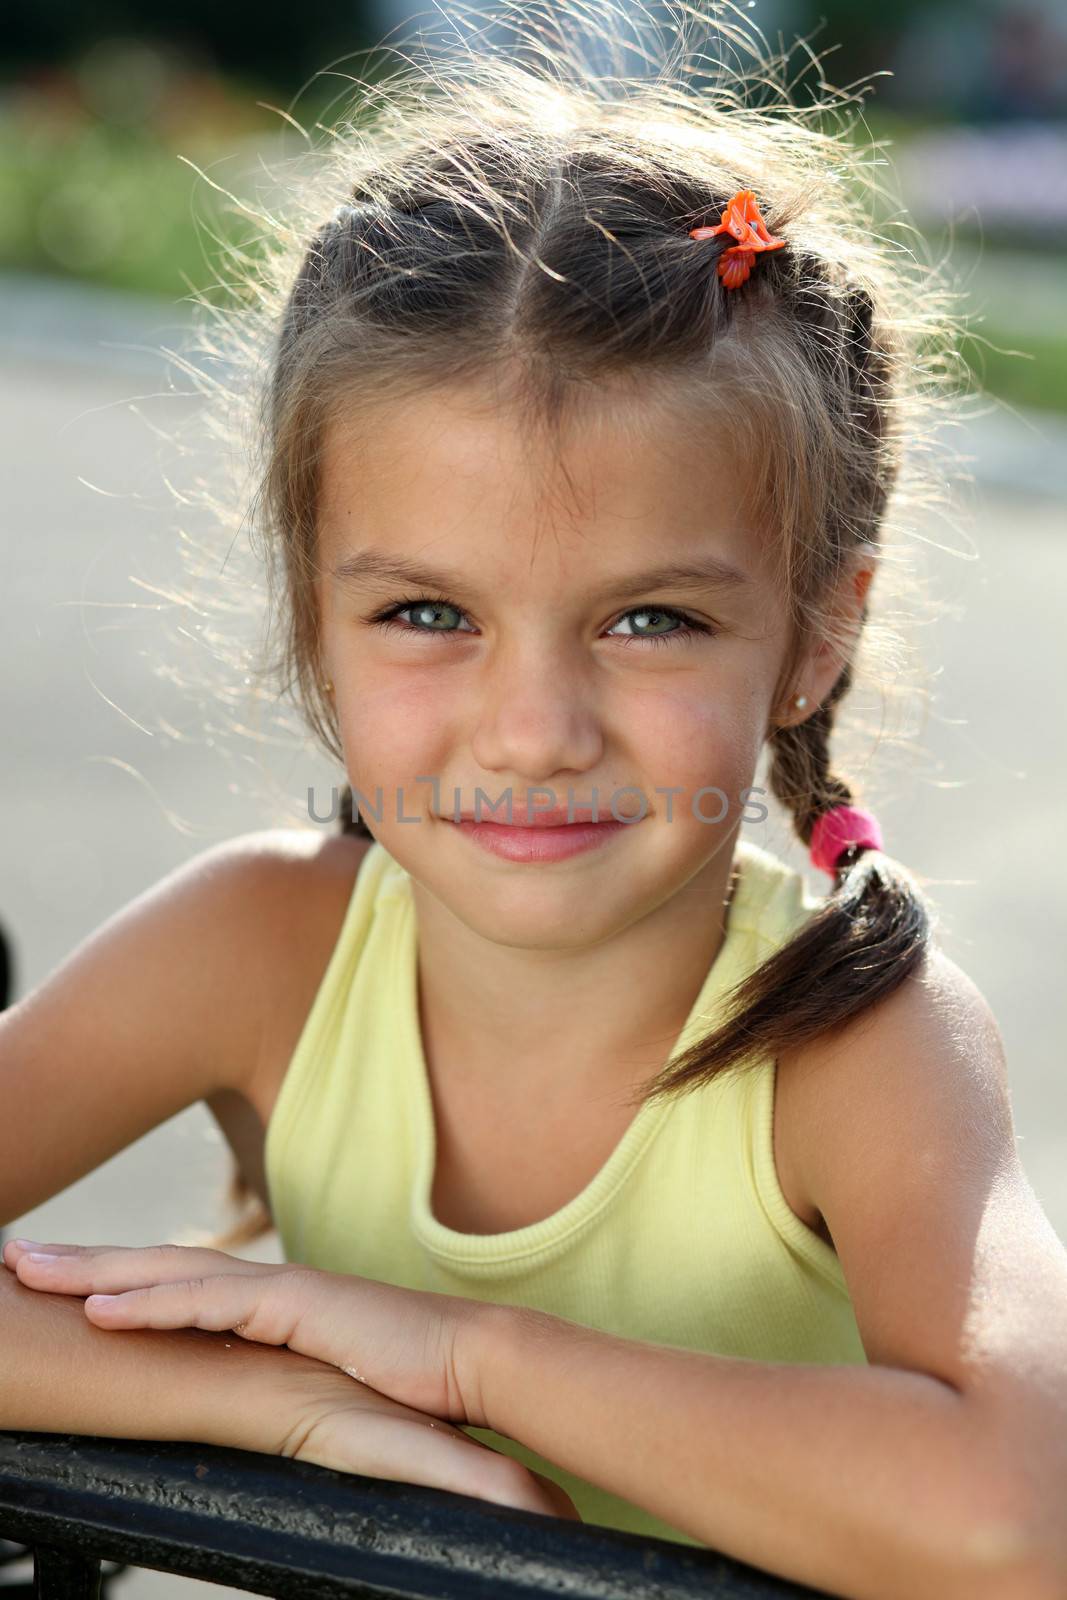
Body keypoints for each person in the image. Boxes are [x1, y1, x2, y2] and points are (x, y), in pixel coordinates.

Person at [2, 4, 1065, 1595]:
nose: (536, 726)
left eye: (652, 620)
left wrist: (457, 1357)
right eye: (429, 613)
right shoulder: (264, 945)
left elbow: (1019, 1519)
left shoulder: (854, 1037)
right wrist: (273, 1402)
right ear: (314, 618)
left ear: (813, 636)